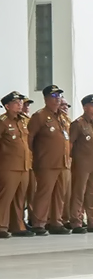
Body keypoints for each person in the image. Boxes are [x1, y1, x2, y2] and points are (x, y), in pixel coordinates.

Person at [27, 84, 72, 235]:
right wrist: (35, 157)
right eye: (53, 96)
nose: (57, 99)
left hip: (63, 162)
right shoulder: (39, 116)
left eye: (59, 96)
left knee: (60, 194)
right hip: (47, 163)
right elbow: (30, 138)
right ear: (46, 98)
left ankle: (56, 222)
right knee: (44, 193)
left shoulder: (63, 117)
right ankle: (39, 223)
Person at [69, 94, 93, 233]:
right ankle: (76, 221)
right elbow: (70, 144)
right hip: (81, 164)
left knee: (91, 193)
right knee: (79, 193)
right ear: (85, 107)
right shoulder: (78, 124)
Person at [0, 91, 33, 238]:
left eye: (20, 102)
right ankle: (1, 226)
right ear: (7, 106)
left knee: (20, 198)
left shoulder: (23, 121)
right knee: (5, 197)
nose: (20, 104)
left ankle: (17, 225)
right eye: (16, 102)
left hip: (24, 165)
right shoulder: (3, 122)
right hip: (8, 165)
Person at [52, 97, 73, 229]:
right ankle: (51, 220)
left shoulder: (67, 121)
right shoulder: (51, 119)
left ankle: (65, 219)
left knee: (67, 192)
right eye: (63, 105)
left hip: (67, 161)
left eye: (67, 105)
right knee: (55, 194)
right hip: (54, 161)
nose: (65, 107)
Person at [21, 97, 36, 228]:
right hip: (18, 163)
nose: (26, 107)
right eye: (23, 105)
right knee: (20, 194)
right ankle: (19, 220)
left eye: (27, 105)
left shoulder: (30, 121)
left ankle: (32, 219)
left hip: (30, 161)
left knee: (32, 192)